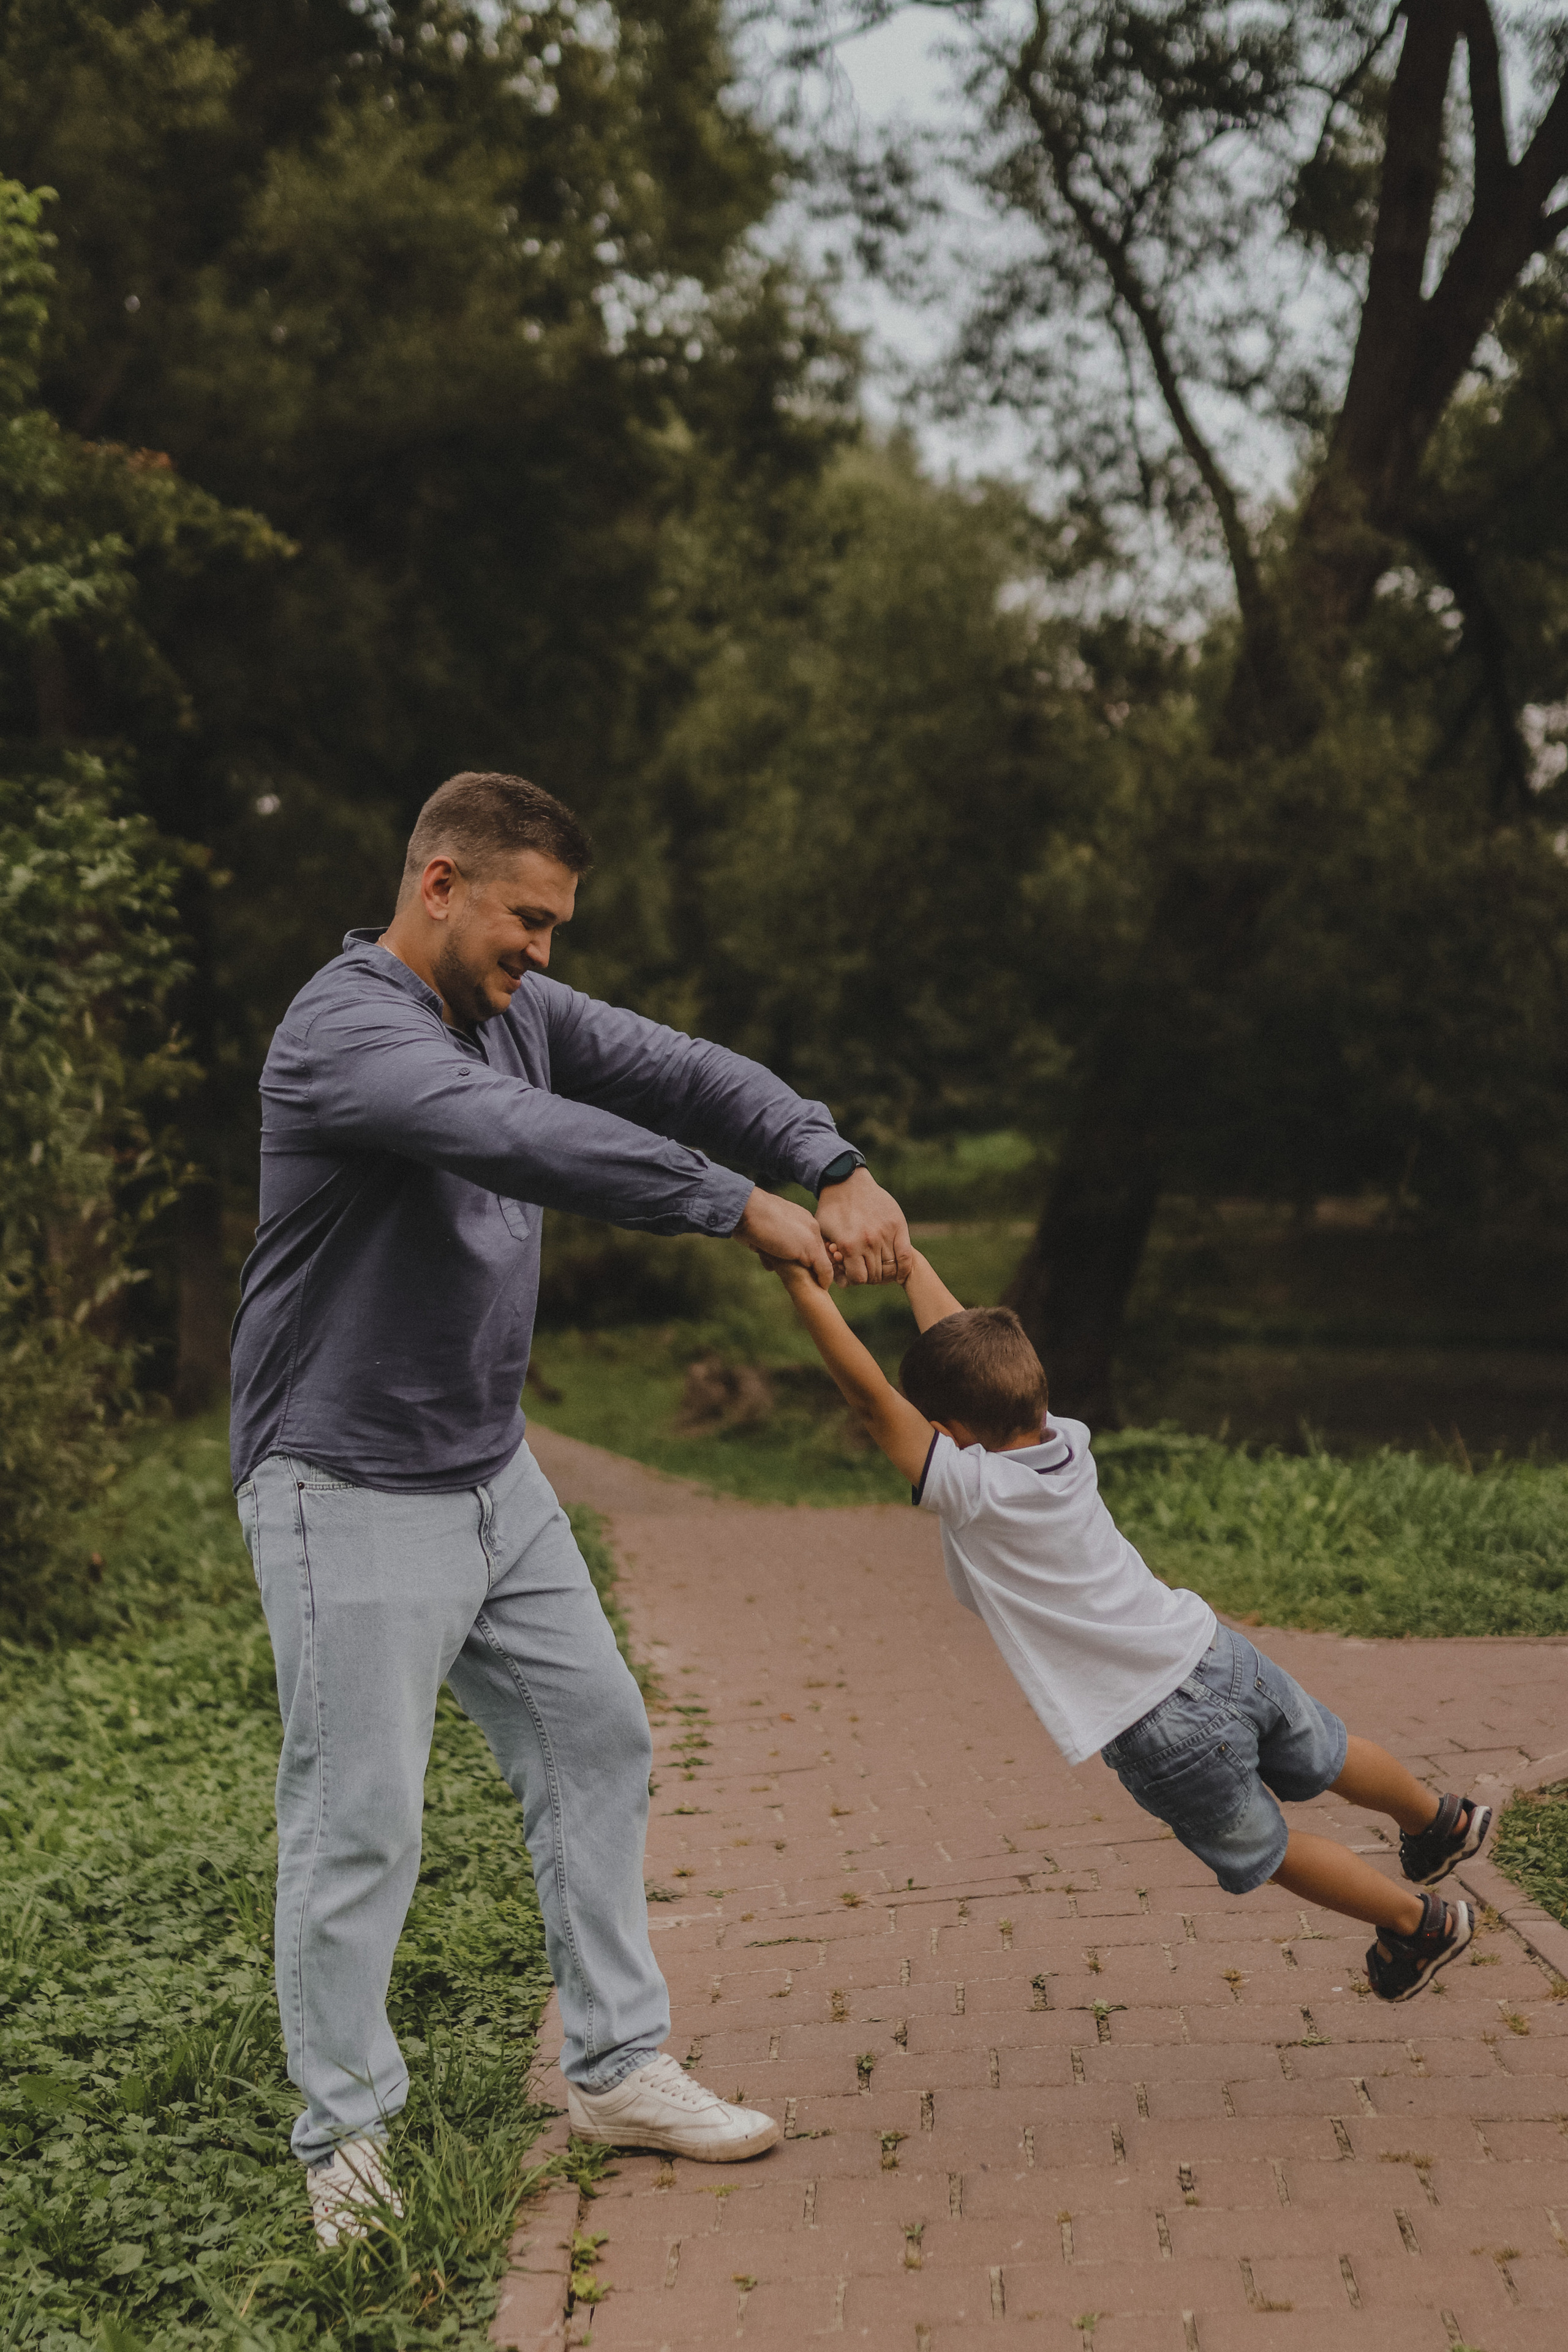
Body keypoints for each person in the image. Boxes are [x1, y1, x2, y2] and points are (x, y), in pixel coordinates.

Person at [229, 771, 913, 2245]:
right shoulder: (346, 1031)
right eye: (523, 919)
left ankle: (611, 2067)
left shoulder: (519, 1009)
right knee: (359, 1820)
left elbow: (680, 1070)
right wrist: (733, 1204)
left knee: (595, 1737)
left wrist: (825, 1156)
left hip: (491, 1474)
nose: (540, 949)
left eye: (553, 924)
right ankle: (342, 2137)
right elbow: (511, 1138)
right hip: (342, 1482)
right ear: (439, 885)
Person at [768, 1248, 1491, 2003]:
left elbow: (869, 1400)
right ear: (1034, 1396)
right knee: (1328, 1753)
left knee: (1269, 1851)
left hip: (1158, 1724)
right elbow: (972, 1357)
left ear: (946, 1431)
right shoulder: (1065, 1442)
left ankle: (1420, 1924)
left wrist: (800, 1285)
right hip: (1211, 1651)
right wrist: (910, 1263)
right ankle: (1440, 1819)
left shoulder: (975, 1491)